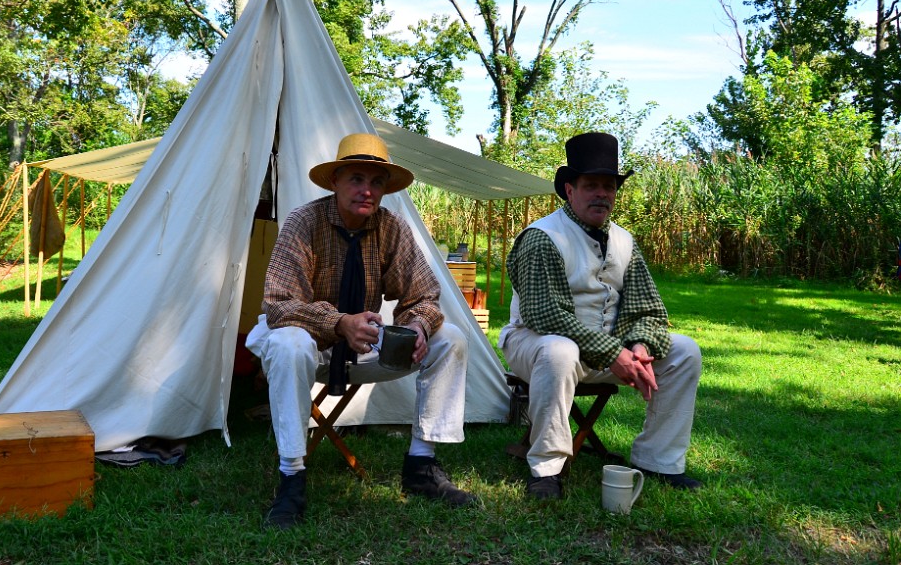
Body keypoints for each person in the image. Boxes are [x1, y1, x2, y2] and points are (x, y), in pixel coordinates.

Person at [245, 133, 474, 530]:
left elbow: (423, 296)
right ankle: (291, 477)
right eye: (356, 178)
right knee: (287, 340)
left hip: (364, 349)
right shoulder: (304, 222)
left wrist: (417, 327)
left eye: (377, 181)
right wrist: (338, 322)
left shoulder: (392, 228)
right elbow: (279, 303)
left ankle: (421, 464)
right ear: (335, 181)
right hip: (309, 350)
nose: (367, 190)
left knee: (450, 337)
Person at [500, 132, 703, 501]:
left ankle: (658, 460)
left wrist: (640, 346)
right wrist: (614, 353)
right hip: (535, 346)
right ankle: (547, 469)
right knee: (559, 350)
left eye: (608, 186)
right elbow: (545, 316)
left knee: (685, 351)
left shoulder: (625, 241)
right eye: (591, 185)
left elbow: (648, 307)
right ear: (569, 189)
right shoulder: (542, 237)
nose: (601, 194)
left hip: (602, 352)